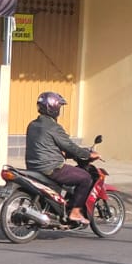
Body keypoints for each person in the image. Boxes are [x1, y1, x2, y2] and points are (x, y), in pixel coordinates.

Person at [26, 91, 99, 224]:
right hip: (52, 167)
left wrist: (63, 152)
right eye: (59, 107)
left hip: (33, 167)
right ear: (53, 108)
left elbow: (44, 144)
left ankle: (55, 211)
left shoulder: (32, 125)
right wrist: (88, 154)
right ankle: (75, 212)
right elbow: (70, 146)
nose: (59, 110)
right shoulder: (54, 127)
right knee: (85, 178)